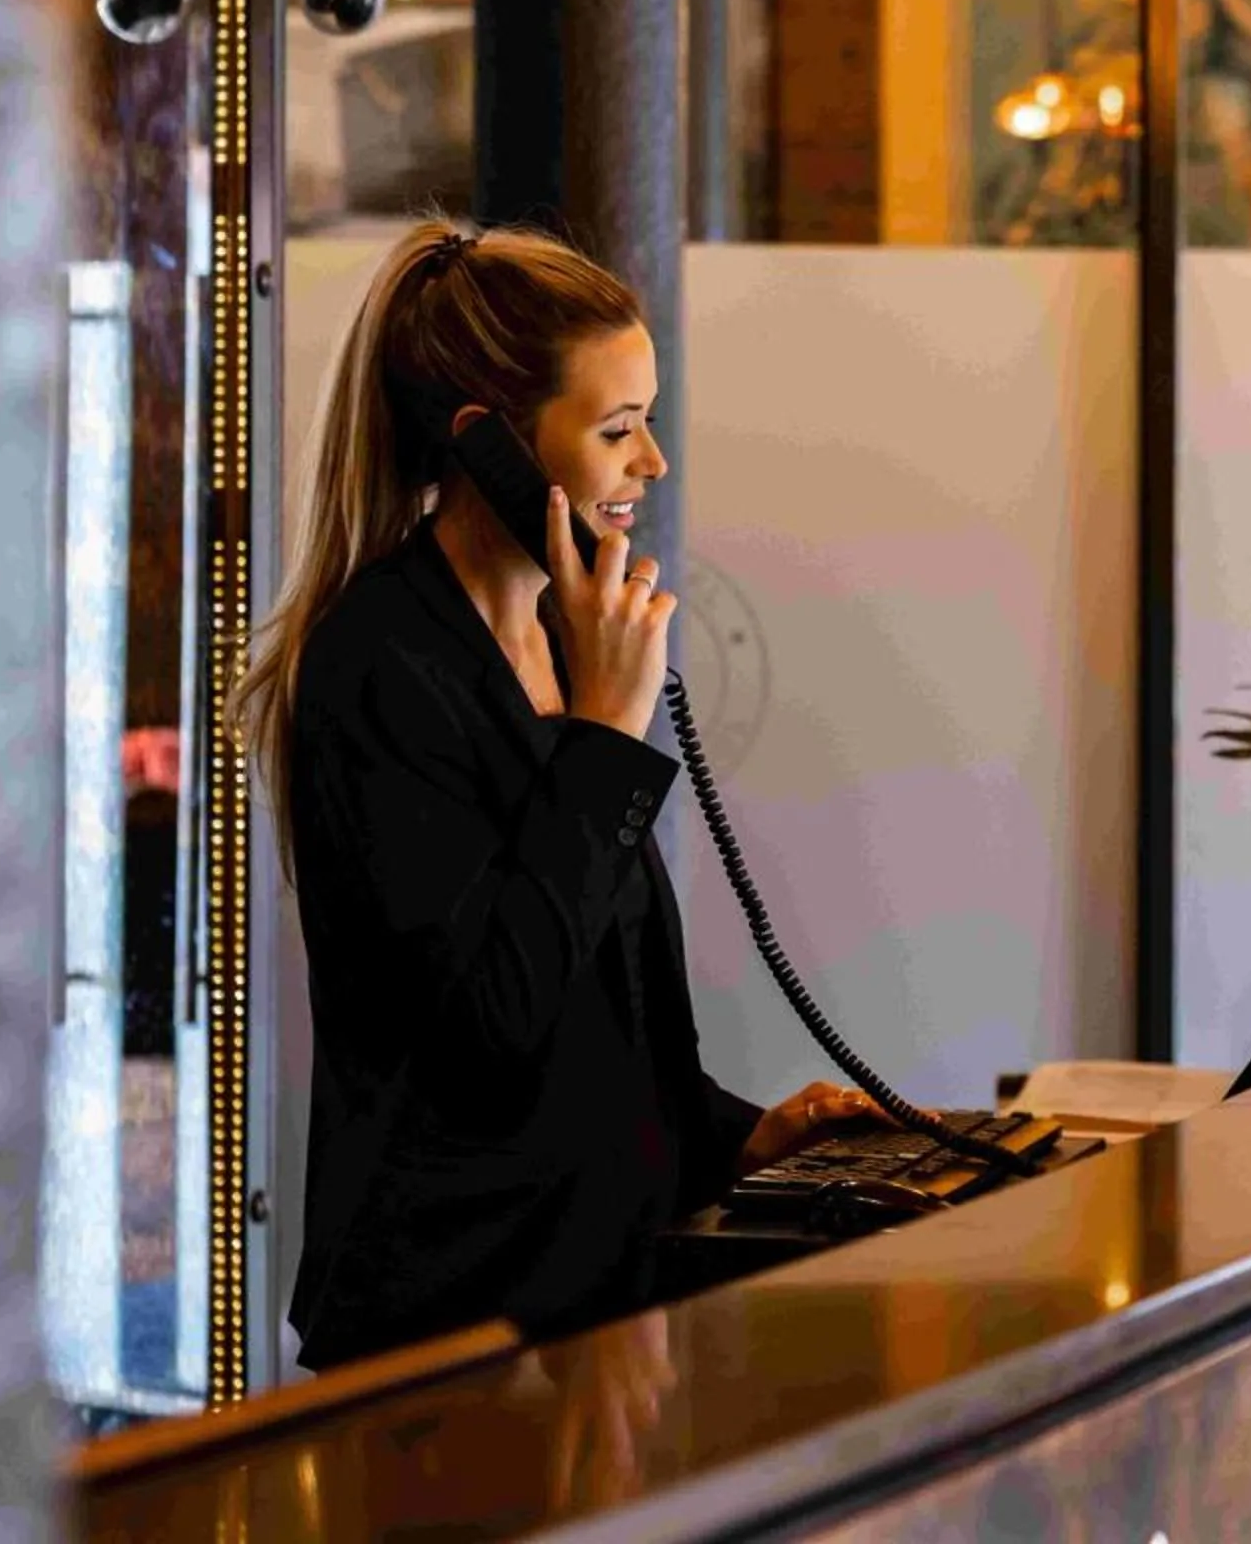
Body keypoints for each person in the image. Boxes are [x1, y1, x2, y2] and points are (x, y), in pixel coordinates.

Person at [238, 219, 879, 1372]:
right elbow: (487, 1028)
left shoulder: (553, 636)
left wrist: (737, 1135)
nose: (654, 463)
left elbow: (596, 1019)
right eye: (616, 427)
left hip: (595, 1304)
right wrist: (601, 737)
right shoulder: (378, 666)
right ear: (489, 445)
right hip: (455, 1334)